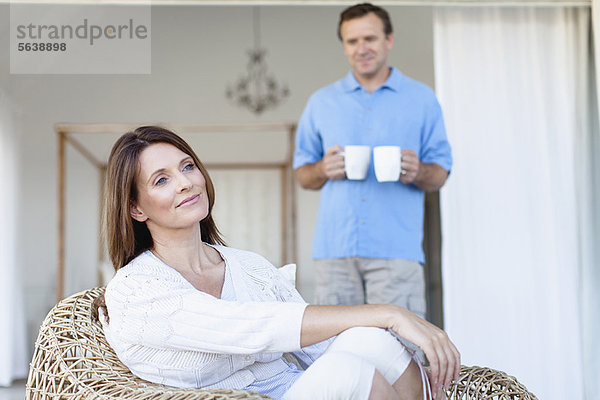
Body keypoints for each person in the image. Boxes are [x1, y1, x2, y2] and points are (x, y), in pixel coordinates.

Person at [96, 126, 459, 400]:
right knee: (348, 371)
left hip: (293, 390)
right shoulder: (134, 289)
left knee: (370, 342)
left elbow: (316, 346)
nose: (186, 183)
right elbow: (248, 327)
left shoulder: (248, 266)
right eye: (162, 180)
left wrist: (381, 333)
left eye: (188, 167)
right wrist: (390, 313)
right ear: (135, 208)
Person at [293, 3, 452, 319]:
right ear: (344, 46)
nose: (361, 48)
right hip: (335, 252)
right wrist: (323, 169)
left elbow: (441, 173)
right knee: (336, 350)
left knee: (400, 351)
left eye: (370, 39)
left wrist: (419, 170)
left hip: (397, 253)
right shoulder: (322, 102)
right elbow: (303, 175)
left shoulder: (422, 99)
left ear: (388, 40)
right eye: (352, 41)